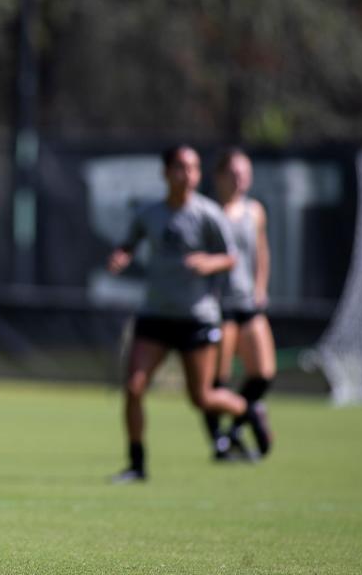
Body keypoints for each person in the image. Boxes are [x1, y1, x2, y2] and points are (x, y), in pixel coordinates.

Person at [107, 145, 270, 482]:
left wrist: (208, 262)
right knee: (134, 388)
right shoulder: (150, 213)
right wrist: (121, 256)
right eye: (181, 167)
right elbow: (129, 243)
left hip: (196, 317)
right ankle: (137, 465)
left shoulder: (209, 214)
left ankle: (248, 411)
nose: (188, 175)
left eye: (194, 168)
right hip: (155, 314)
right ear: (166, 173)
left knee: (202, 398)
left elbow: (231, 257)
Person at [202, 148, 276, 459]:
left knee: (263, 372)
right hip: (217, 305)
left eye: (244, 174)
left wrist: (260, 287)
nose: (239, 180)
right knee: (216, 381)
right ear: (219, 176)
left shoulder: (254, 211)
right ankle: (220, 442)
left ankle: (237, 425)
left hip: (247, 301)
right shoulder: (206, 213)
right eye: (233, 173)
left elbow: (261, 252)